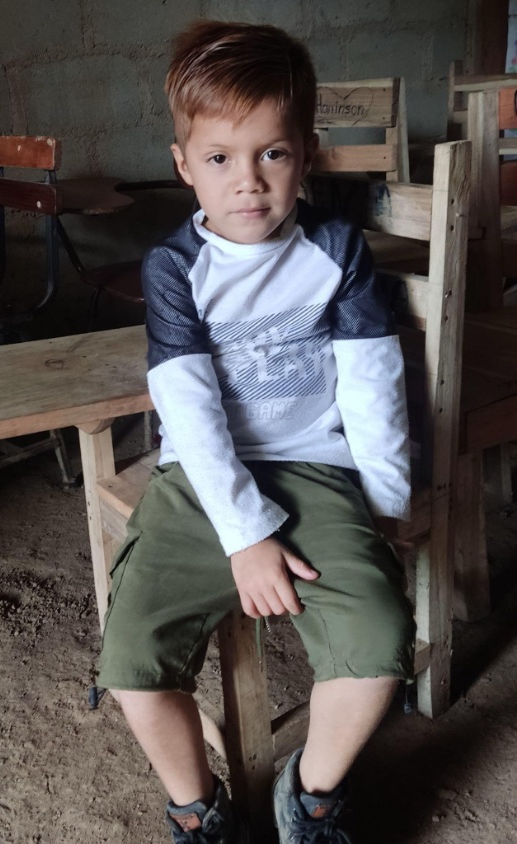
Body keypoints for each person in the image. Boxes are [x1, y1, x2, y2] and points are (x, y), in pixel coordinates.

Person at [96, 19, 415, 844]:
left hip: (315, 469)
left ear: (304, 153)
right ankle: (197, 810)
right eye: (219, 159)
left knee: (380, 643)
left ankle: (309, 795)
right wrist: (245, 536)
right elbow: (191, 415)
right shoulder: (175, 269)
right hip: (201, 480)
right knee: (132, 661)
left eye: (272, 153)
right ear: (183, 165)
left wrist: (382, 502)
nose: (248, 182)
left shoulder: (337, 251)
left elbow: (373, 381)